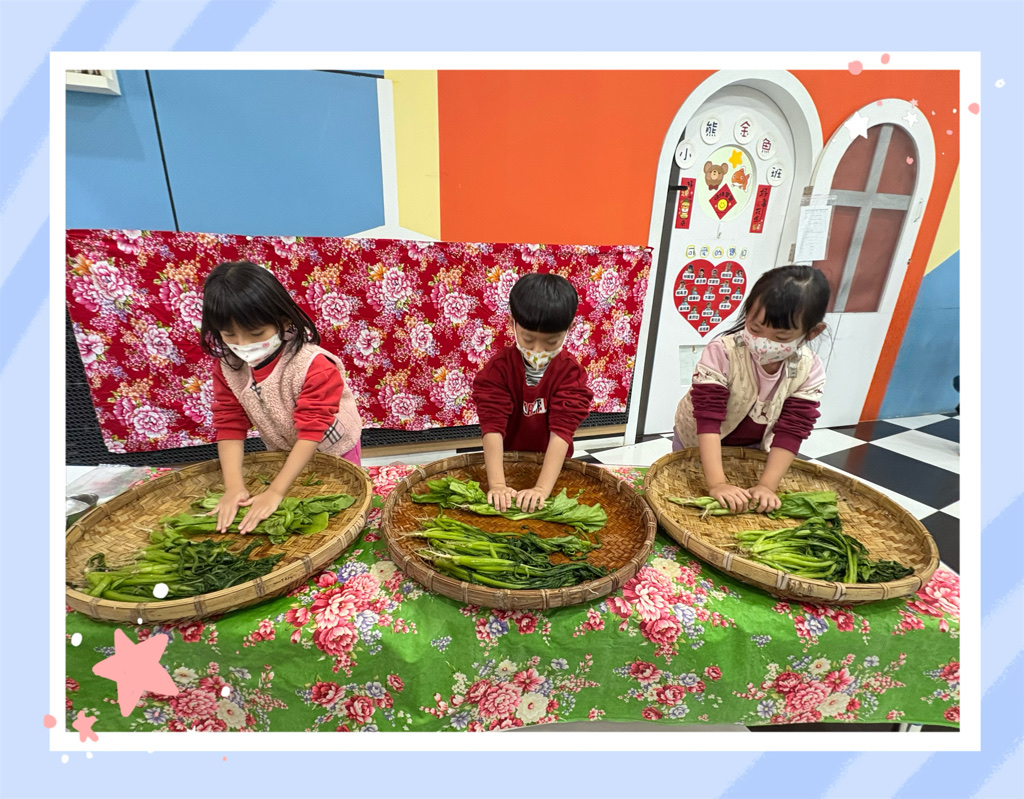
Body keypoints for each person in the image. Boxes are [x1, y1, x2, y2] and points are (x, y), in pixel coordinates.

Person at [200, 261, 362, 533]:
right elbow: (229, 423)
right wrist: (234, 487)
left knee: (343, 504)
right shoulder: (229, 367)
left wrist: (275, 491)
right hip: (284, 447)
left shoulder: (314, 365)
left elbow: (312, 429)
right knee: (299, 500)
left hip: (335, 447)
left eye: (256, 334)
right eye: (229, 335)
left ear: (284, 321)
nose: (243, 345)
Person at [674, 264, 830, 514]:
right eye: (755, 329)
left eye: (780, 338)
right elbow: (708, 419)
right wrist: (717, 483)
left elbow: (792, 429)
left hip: (753, 447)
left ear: (812, 332)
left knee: (740, 504)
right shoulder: (723, 352)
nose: (763, 342)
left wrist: (767, 485)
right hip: (698, 439)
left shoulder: (808, 369)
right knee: (688, 495)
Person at [473, 273, 594, 513]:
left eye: (551, 343)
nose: (538, 350)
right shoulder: (499, 369)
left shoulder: (570, 372)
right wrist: (497, 484)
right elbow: (492, 425)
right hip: (507, 464)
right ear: (512, 323)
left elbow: (562, 431)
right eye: (528, 339)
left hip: (552, 469)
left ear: (570, 328)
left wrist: (541, 488)